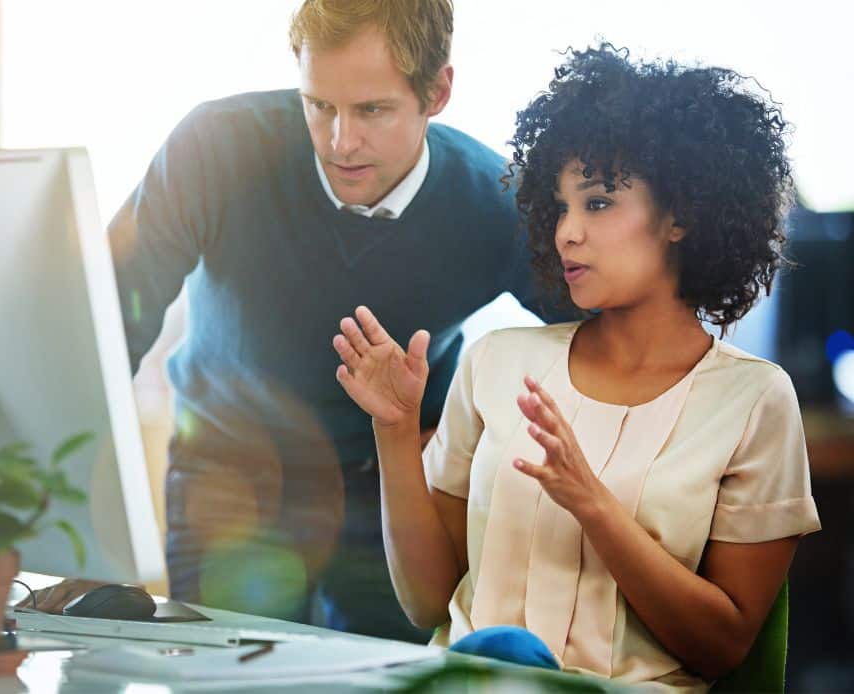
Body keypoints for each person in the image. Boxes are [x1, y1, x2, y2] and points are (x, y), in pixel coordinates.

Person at [22, 0, 566, 643]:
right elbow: (106, 330)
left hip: (386, 487)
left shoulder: (495, 201)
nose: (341, 142)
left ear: (437, 91)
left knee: (380, 677)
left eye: (372, 110)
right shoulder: (214, 148)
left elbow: (610, 336)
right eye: (320, 105)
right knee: (221, 674)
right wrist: (87, 548)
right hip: (228, 473)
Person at [333, 43, 821, 688]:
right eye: (559, 207)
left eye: (596, 203)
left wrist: (593, 505)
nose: (566, 232)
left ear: (681, 214)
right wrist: (395, 430)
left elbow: (724, 646)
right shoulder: (498, 361)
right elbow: (426, 603)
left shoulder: (754, 399)